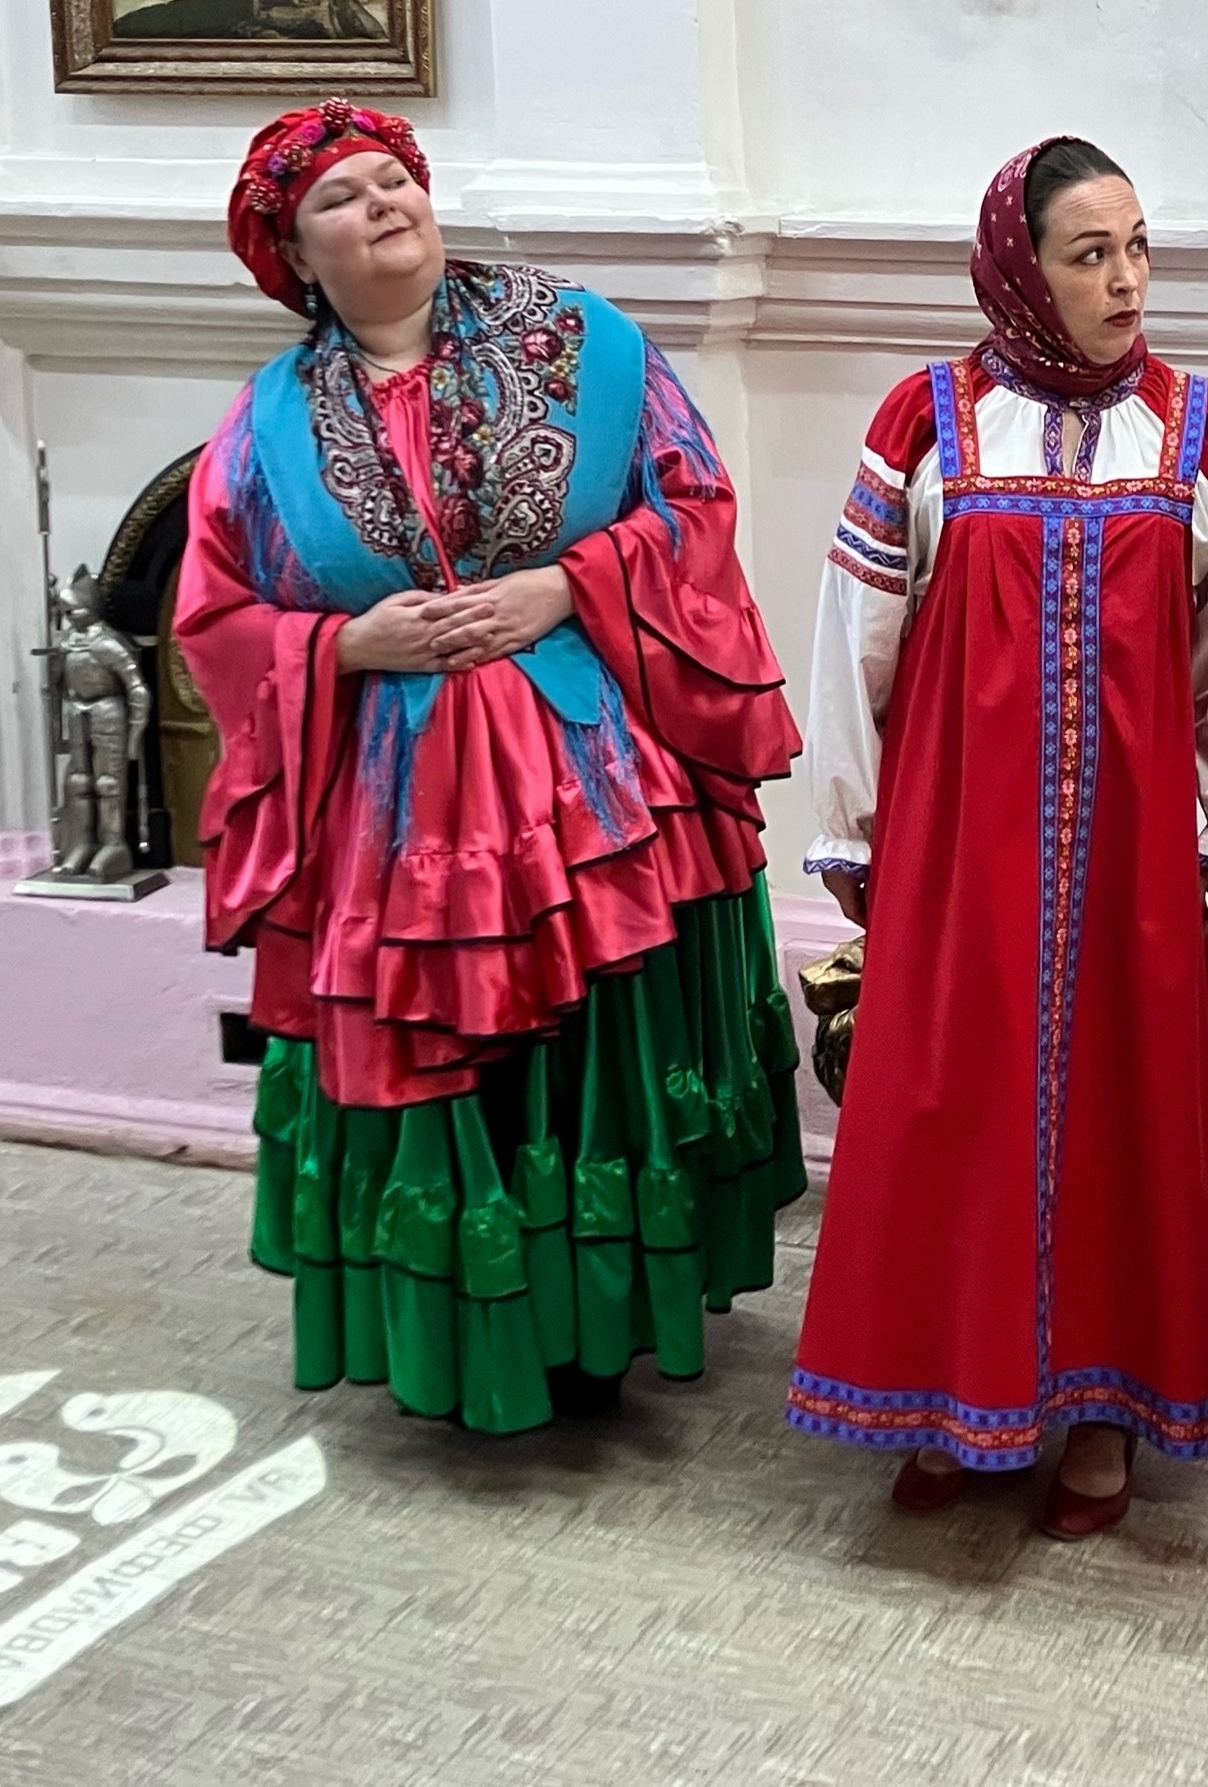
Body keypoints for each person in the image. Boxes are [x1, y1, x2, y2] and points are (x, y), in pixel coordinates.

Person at [178, 100, 806, 1436]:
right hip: (395, 807)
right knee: (453, 1060)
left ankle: (598, 1331)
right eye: (340, 197)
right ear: (294, 254)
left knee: (594, 1057)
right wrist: (347, 642)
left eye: (393, 177)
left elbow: (691, 503)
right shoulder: (264, 425)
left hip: (595, 786)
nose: (381, 203)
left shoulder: (582, 339)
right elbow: (215, 612)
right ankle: (469, 1335)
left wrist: (562, 589)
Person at [788, 138, 1208, 1537]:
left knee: (1126, 1122)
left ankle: (1105, 1419)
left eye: (1138, 248)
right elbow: (858, 636)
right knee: (957, 1113)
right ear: (1021, 269)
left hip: (1134, 854)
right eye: (1089, 255)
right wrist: (854, 831)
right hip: (960, 847)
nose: (1126, 280)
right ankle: (954, 1394)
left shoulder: (1203, 432)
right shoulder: (929, 423)